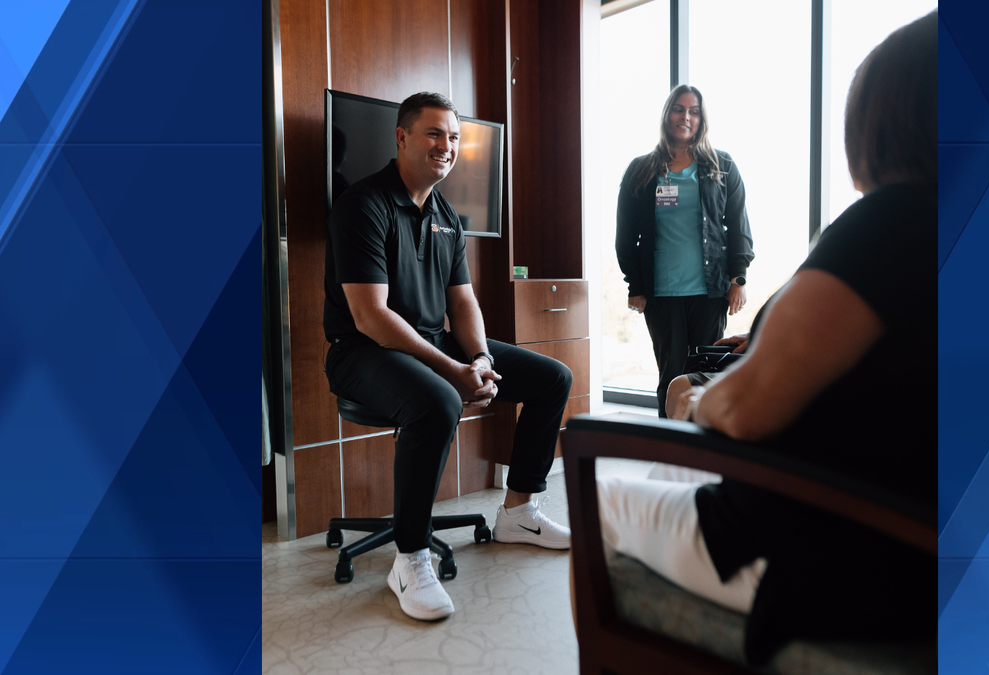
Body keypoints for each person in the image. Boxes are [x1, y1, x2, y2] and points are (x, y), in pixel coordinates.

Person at [585, 11, 937, 666]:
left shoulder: (894, 223)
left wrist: (697, 400)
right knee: (668, 453)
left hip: (816, 555)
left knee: (598, 485)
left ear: (879, 121)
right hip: (901, 543)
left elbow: (746, 406)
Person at [323, 92, 573, 622]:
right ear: (403, 137)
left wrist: (479, 357)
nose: (447, 146)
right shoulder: (362, 205)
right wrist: (453, 371)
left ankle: (519, 511)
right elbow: (370, 315)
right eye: (435, 133)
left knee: (552, 376)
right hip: (361, 351)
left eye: (454, 137)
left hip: (432, 344)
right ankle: (409, 558)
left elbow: (463, 303)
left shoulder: (447, 217)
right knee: (438, 401)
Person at [615, 84, 755, 418]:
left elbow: (738, 227)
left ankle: (702, 452)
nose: (685, 117)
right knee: (671, 375)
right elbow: (626, 235)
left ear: (701, 119)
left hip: (710, 290)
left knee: (705, 374)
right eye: (679, 109)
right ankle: (670, 451)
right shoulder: (642, 169)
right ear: (668, 114)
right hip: (661, 293)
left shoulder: (722, 166)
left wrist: (739, 277)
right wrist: (634, 285)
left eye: (693, 111)